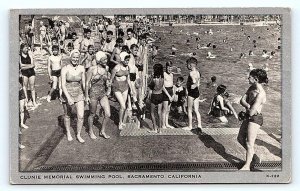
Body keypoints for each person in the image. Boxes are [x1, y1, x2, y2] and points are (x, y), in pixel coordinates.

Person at [237, 69, 268, 171]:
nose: (247, 78)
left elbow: (252, 112)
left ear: (255, 79)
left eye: (249, 77)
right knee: (240, 138)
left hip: (255, 118)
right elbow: (241, 100)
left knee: (249, 143)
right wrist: (248, 105)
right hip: (249, 116)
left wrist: (248, 108)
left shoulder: (261, 93)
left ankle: (247, 166)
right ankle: (254, 156)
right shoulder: (251, 87)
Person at [61, 50, 86, 143]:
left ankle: (78, 134)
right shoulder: (65, 69)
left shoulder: (82, 68)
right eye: (74, 57)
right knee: (67, 115)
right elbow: (63, 85)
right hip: (67, 93)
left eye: (77, 57)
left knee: (81, 116)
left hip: (79, 93)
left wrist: (86, 94)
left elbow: (83, 83)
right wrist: (68, 98)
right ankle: (68, 132)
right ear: (70, 57)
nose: (75, 59)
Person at [85, 53, 111, 139]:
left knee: (108, 114)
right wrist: (86, 96)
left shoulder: (106, 69)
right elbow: (87, 82)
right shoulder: (92, 69)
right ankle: (90, 131)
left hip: (102, 93)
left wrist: (108, 85)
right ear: (99, 60)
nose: (106, 61)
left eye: (106, 59)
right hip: (93, 93)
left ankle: (102, 131)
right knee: (92, 114)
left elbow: (107, 81)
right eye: (104, 59)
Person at [110, 52, 130, 130]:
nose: (127, 62)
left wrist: (131, 89)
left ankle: (121, 121)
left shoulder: (128, 67)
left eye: (128, 60)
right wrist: (109, 89)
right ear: (122, 59)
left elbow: (128, 79)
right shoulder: (116, 68)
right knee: (123, 106)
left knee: (123, 107)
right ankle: (119, 123)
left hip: (125, 88)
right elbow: (111, 79)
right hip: (117, 88)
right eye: (126, 60)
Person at [182, 57, 202, 131]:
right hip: (197, 93)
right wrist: (196, 84)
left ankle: (190, 126)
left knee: (189, 110)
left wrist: (193, 84)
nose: (186, 66)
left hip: (191, 93)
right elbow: (199, 84)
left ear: (190, 65)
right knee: (196, 110)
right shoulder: (198, 72)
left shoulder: (191, 73)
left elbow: (194, 82)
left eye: (187, 64)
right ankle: (199, 125)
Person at [19, 43, 38, 108]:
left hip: (31, 72)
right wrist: (29, 66)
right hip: (24, 73)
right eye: (26, 48)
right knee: (25, 87)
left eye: (27, 48)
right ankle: (26, 101)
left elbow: (33, 65)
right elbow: (21, 66)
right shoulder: (19, 56)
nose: (27, 49)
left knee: (32, 87)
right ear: (22, 49)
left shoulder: (30, 54)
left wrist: (25, 66)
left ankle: (34, 101)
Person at [147, 64, 164, 133]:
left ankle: (154, 128)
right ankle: (159, 129)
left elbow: (149, 84)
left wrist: (150, 76)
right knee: (159, 112)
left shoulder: (154, 79)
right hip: (160, 95)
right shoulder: (162, 78)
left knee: (152, 113)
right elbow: (161, 86)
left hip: (154, 95)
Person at [162, 61, 175, 129]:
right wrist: (169, 96)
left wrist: (173, 95)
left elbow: (172, 85)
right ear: (166, 68)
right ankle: (163, 125)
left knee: (168, 110)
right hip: (165, 92)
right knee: (164, 109)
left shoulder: (172, 75)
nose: (169, 70)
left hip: (170, 91)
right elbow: (162, 86)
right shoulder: (163, 74)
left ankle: (167, 124)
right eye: (168, 68)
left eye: (171, 68)